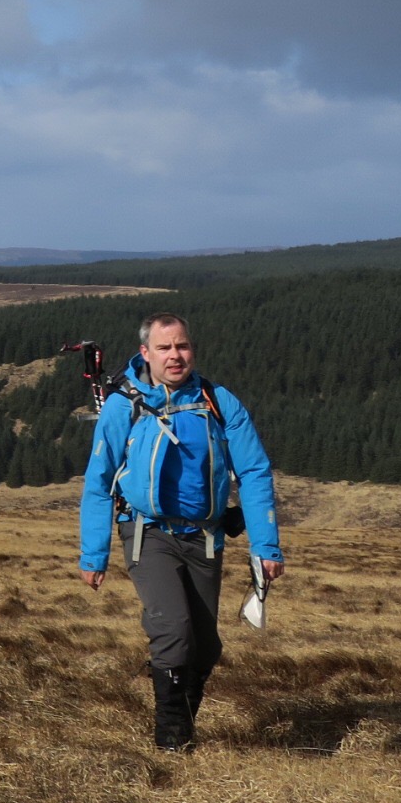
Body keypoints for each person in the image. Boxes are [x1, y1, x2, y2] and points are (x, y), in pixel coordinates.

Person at [79, 312, 284, 752]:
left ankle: (183, 724)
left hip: (205, 536)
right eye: (165, 347)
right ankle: (171, 743)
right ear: (146, 353)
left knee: (205, 647)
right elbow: (99, 481)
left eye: (182, 346)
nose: (175, 355)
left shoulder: (218, 401)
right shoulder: (123, 405)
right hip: (147, 533)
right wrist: (93, 555)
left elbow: (254, 471)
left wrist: (266, 546)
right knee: (173, 630)